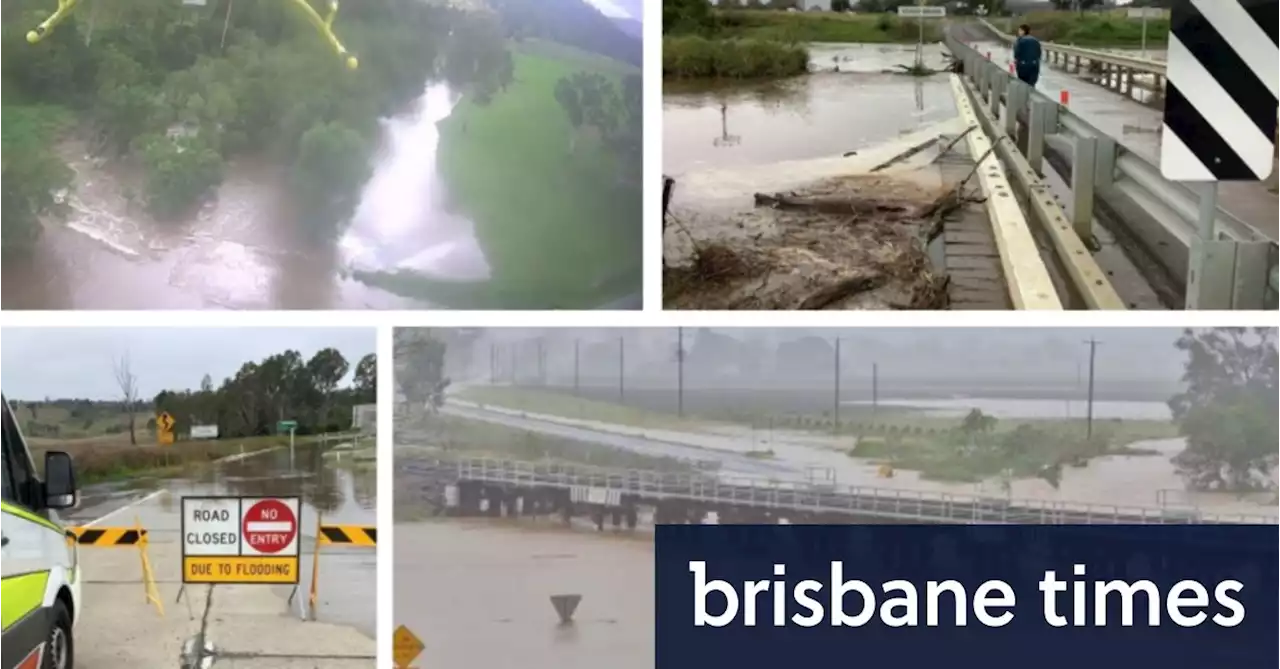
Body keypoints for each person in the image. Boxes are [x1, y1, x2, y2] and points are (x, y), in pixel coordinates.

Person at [1013, 23, 1042, 88]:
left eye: (1020, 30)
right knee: (1031, 84)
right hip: (1034, 65)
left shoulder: (1019, 41)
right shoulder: (1036, 40)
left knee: (1023, 84)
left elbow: (1017, 53)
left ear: (1023, 31)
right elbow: (1039, 53)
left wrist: (1016, 61)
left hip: (1023, 65)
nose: (1018, 32)